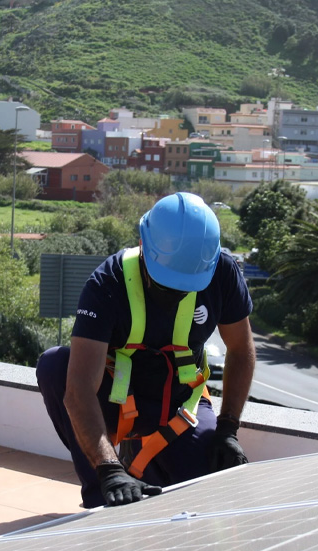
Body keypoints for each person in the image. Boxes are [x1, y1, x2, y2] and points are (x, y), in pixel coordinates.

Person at [35, 192, 256, 508]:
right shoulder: (107, 285)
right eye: (167, 283)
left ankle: (148, 465)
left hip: (180, 408)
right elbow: (79, 391)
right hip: (115, 402)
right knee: (54, 366)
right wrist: (109, 470)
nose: (176, 293)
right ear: (144, 245)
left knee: (209, 495)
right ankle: (103, 491)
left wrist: (228, 429)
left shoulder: (222, 272)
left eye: (187, 286)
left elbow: (240, 349)